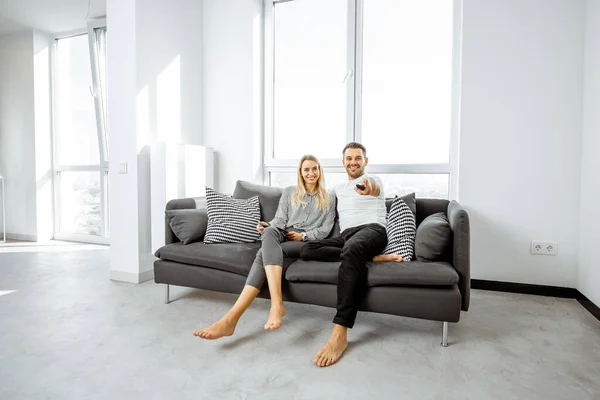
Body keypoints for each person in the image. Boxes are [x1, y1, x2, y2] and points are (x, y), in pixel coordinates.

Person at [194, 155, 336, 340]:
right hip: (283, 233)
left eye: (314, 168)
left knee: (263, 253)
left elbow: (326, 229)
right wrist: (267, 225)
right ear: (300, 173)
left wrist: (304, 236)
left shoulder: (329, 197)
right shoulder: (290, 192)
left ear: (320, 171)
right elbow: (279, 220)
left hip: (305, 241)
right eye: (306, 169)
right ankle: (276, 304)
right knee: (269, 233)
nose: (311, 173)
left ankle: (231, 320)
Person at [300, 142, 389, 367]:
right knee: (308, 248)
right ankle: (365, 258)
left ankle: (340, 332)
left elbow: (373, 188)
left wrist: (368, 189)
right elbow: (313, 195)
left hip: (372, 231)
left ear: (365, 161)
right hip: (347, 237)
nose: (353, 162)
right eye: (349, 158)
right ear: (343, 163)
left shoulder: (373, 181)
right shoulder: (338, 189)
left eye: (358, 158)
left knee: (352, 249)